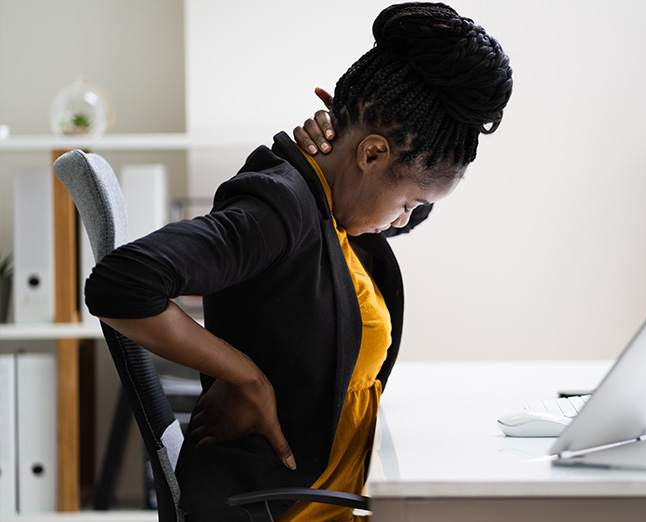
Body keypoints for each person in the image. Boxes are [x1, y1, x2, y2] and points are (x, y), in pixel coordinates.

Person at [84, 2, 512, 521]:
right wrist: (245, 378)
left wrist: (360, 162)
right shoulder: (281, 206)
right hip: (293, 510)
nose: (404, 222)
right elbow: (121, 282)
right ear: (372, 155)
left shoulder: (334, 205)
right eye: (408, 206)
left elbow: (384, 210)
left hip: (340, 497)